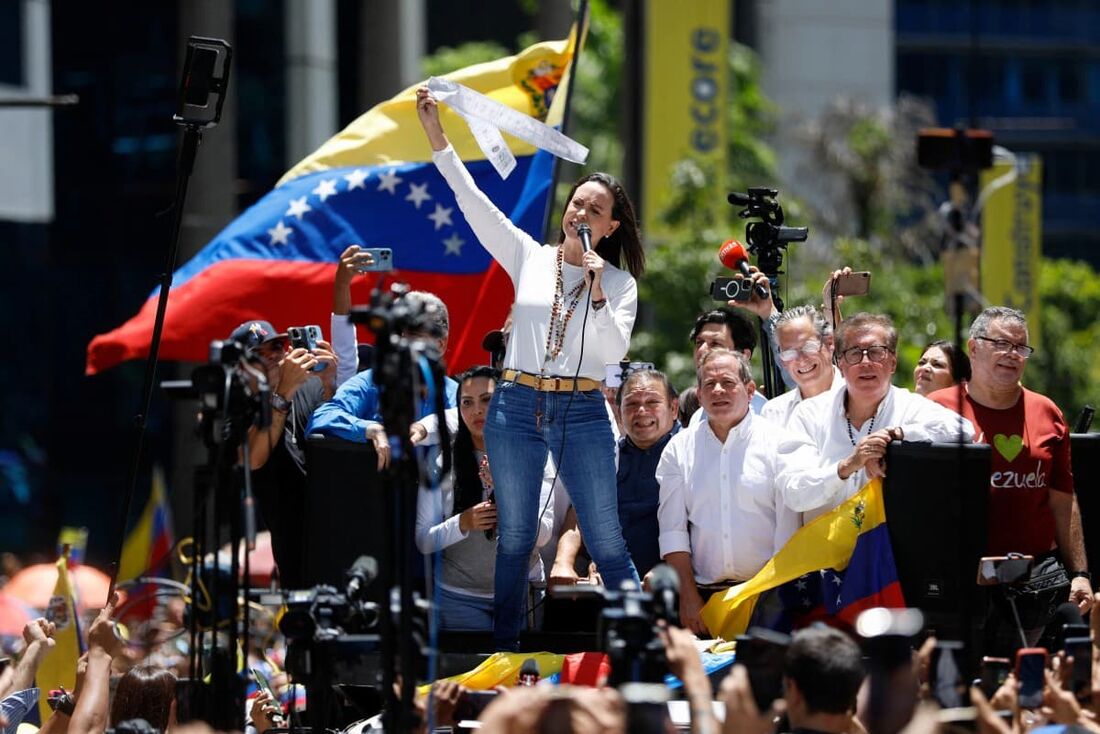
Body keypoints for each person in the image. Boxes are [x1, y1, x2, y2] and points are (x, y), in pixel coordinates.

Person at [417, 86, 644, 650]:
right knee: (515, 535)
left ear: (612, 227)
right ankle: (505, 653)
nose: (581, 212)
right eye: (577, 203)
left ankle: (650, 645)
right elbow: (473, 203)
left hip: (583, 406)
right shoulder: (531, 257)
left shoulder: (617, 283)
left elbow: (613, 351)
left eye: (595, 209)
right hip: (516, 403)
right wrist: (436, 133)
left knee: (606, 538)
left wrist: (594, 286)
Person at [928, 306, 1091, 643]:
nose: (1012, 355)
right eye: (1001, 344)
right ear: (973, 348)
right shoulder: (936, 409)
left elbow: (1063, 498)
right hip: (956, 579)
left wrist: (1080, 573)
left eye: (1021, 348)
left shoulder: (1047, 412)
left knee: (1018, 683)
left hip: (1031, 586)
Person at [657, 349, 846, 634]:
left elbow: (788, 528)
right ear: (699, 393)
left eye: (728, 382)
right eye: (709, 384)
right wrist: (687, 597)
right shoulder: (678, 449)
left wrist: (772, 596)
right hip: (704, 598)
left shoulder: (779, 442)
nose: (718, 390)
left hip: (769, 595)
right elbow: (673, 532)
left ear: (749, 390)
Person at [788, 312, 975, 522]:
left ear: (893, 363)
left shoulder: (912, 407)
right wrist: (848, 465)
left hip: (889, 550)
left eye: (876, 352)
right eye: (854, 353)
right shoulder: (809, 414)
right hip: (825, 550)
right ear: (840, 364)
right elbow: (794, 493)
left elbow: (964, 430)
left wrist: (896, 435)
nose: (866, 362)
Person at [415, 366, 555, 631]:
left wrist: (505, 490)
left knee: (520, 672)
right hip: (457, 598)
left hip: (521, 593)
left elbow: (543, 535)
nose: (477, 411)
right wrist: (462, 524)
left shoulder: (534, 453)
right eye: (466, 403)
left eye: (487, 400)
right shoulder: (442, 461)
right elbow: (423, 540)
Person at [230, 319, 339, 589]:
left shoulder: (311, 388)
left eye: (277, 347)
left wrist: (331, 385)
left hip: (338, 528)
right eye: (258, 354)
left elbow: (338, 436)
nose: (272, 358)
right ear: (240, 368)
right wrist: (283, 394)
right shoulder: (237, 410)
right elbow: (252, 460)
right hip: (295, 547)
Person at [550, 368, 681, 585]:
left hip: (676, 587)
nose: (641, 411)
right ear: (618, 412)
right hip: (611, 585)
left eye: (652, 402)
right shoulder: (610, 457)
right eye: (631, 404)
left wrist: (670, 569)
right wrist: (563, 562)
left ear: (673, 408)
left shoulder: (689, 453)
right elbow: (579, 518)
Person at [308, 290, 458, 469]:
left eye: (413, 335)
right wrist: (371, 429)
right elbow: (321, 417)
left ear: (440, 344)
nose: (400, 343)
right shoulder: (370, 382)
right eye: (396, 334)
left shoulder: (459, 396)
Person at [761, 305, 844, 426]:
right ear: (782, 360)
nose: (801, 359)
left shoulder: (863, 397)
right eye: (789, 353)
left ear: (830, 343)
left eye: (809, 347)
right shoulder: (773, 413)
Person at [688, 308, 769, 414]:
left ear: (744, 356)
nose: (702, 350)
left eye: (715, 344)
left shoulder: (764, 413)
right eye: (699, 342)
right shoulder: (698, 417)